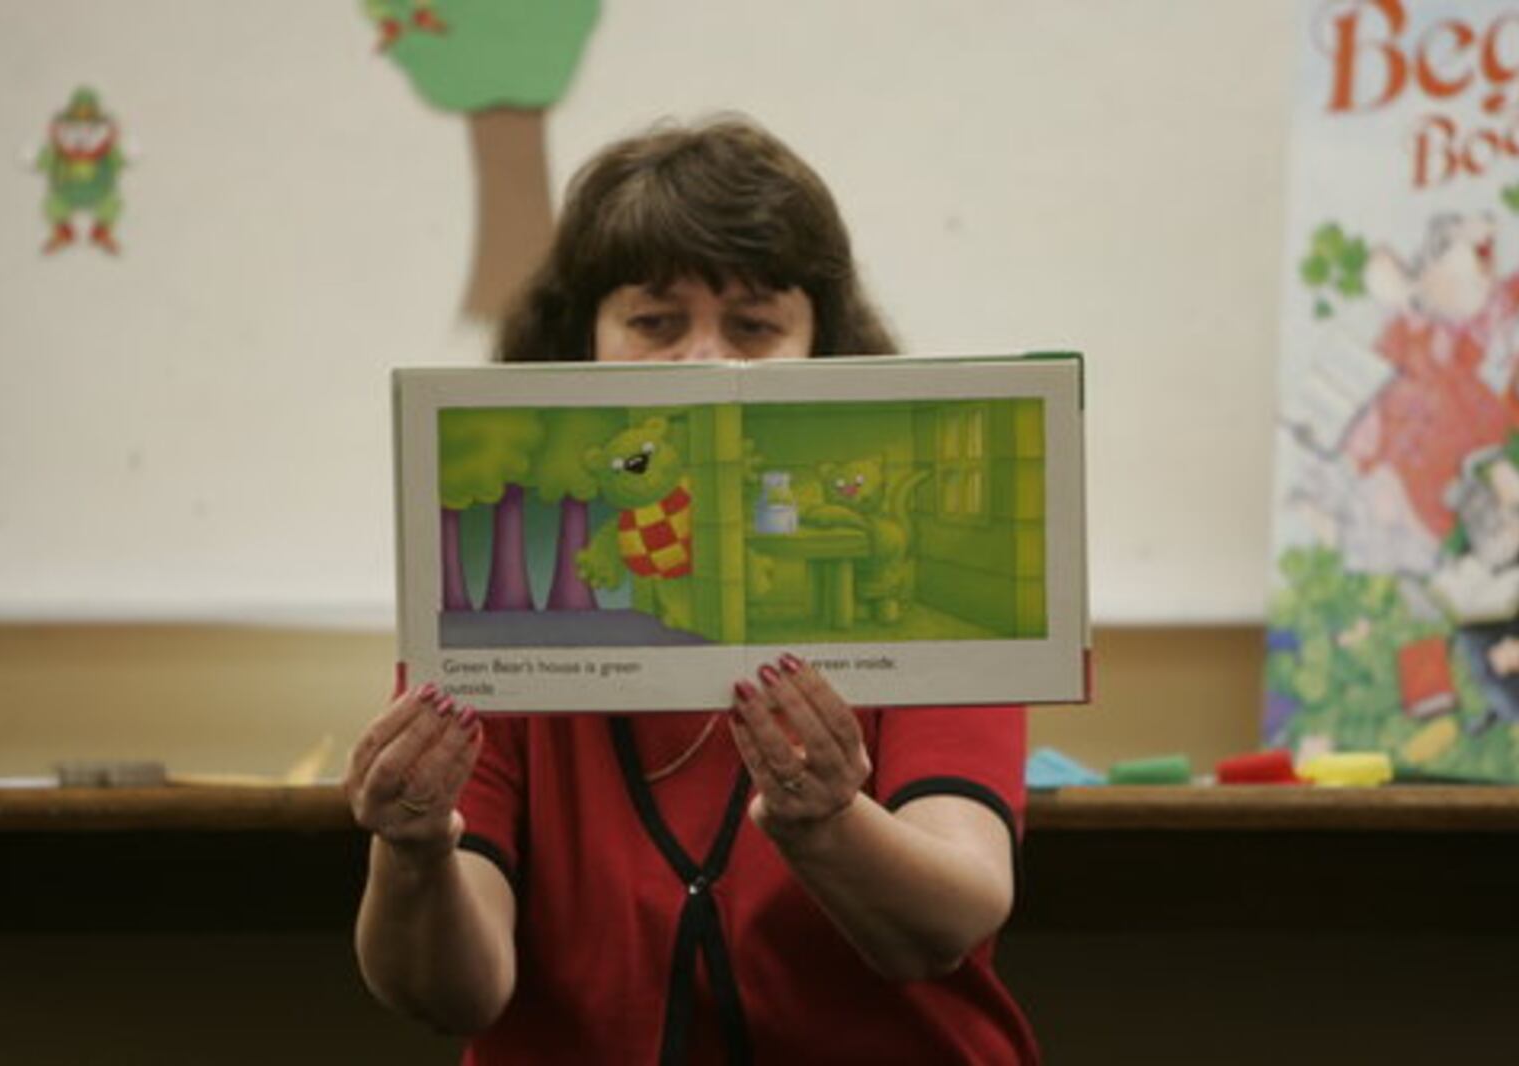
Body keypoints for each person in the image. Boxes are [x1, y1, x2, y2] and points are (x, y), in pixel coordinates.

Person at [347, 116, 1038, 1065]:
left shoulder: (922, 576)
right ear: (580, 341)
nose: (704, 361)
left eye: (754, 326)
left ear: (824, 351)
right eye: (654, 322)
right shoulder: (487, 608)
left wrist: (830, 826)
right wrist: (413, 854)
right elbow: (453, 994)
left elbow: (947, 921)